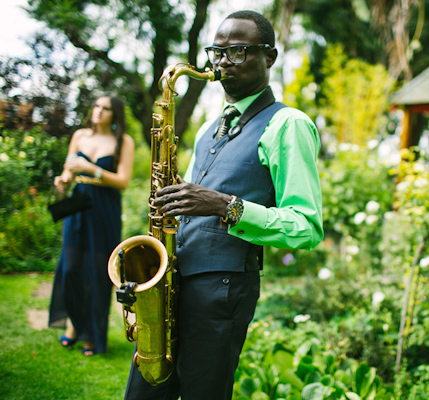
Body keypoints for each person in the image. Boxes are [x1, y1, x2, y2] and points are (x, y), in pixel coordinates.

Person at [124, 10, 323, 400]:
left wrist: (225, 205)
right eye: (217, 52)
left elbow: (306, 227)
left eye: (237, 52)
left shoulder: (289, 124)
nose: (220, 63)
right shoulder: (206, 129)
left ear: (270, 57)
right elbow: (199, 206)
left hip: (224, 289)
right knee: (144, 393)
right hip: (174, 282)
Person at [48, 94, 135, 356]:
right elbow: (69, 169)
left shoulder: (124, 141)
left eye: (106, 108)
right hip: (79, 203)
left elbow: (123, 181)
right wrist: (63, 180)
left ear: (115, 114)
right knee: (71, 268)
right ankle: (76, 324)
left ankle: (90, 336)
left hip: (104, 207)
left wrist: (91, 168)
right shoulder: (80, 136)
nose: (99, 111)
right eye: (96, 106)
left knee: (98, 273)